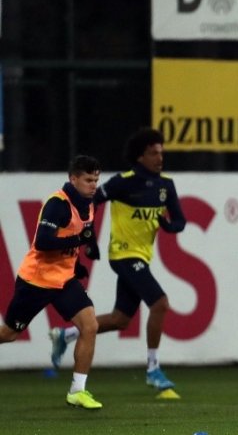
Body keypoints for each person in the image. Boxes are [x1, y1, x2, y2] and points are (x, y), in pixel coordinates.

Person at [50, 129, 186, 392]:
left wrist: (169, 226)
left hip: (141, 257)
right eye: (153, 153)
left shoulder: (166, 185)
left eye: (161, 152)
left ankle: (65, 336)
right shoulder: (123, 182)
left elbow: (180, 220)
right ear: (140, 156)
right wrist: (89, 239)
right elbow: (90, 202)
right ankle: (153, 369)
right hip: (123, 254)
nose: (160, 158)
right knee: (160, 303)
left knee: (120, 319)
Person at [1, 155, 103, 409]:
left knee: (90, 325)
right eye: (88, 180)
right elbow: (43, 243)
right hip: (36, 281)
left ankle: (77, 391)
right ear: (73, 179)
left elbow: (81, 233)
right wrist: (80, 241)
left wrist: (78, 262)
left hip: (64, 280)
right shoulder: (58, 204)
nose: (93, 185)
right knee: (9, 334)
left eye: (96, 180)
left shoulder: (89, 204)